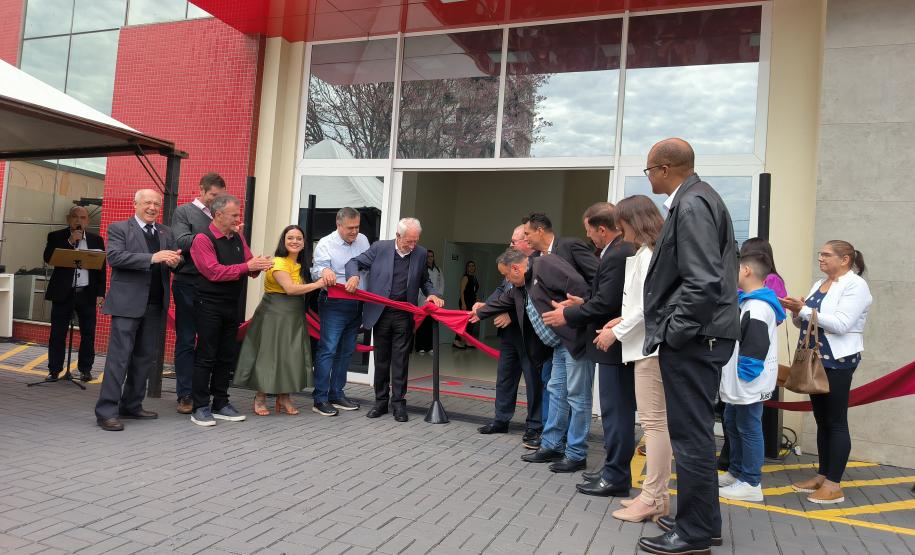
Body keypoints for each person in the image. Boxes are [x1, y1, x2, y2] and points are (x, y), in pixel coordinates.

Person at [638, 138, 739, 555]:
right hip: (703, 335)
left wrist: (674, 332)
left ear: (664, 169)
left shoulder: (693, 203)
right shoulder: (698, 199)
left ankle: (694, 533)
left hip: (696, 338)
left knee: (690, 436)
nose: (649, 178)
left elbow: (702, 281)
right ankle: (703, 523)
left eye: (649, 171)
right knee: (693, 432)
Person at [541, 202, 637, 495]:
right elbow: (606, 297)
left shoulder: (619, 253)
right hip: (608, 341)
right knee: (611, 412)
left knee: (616, 413)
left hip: (613, 343)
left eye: (590, 232)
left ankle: (616, 477)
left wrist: (568, 314)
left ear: (602, 229)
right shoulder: (615, 252)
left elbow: (608, 303)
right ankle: (611, 472)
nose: (589, 238)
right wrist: (582, 304)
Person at [474, 248, 590, 472]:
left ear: (516, 268)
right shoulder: (520, 286)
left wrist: (579, 307)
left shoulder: (545, 265)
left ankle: (576, 454)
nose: (507, 280)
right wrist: (477, 314)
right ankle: (552, 446)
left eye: (507, 275)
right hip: (558, 346)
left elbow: (580, 286)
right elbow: (502, 302)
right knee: (557, 392)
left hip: (574, 341)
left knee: (577, 396)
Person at [594, 195, 670, 522]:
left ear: (633, 221)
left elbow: (647, 306)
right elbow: (638, 304)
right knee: (654, 425)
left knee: (655, 425)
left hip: (649, 350)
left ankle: (654, 497)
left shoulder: (652, 254)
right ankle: (653, 496)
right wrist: (619, 321)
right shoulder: (645, 252)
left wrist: (617, 331)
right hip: (644, 347)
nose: (617, 229)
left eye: (621, 222)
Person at [780, 240, 872, 505]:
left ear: (845, 260)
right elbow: (805, 321)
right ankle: (823, 475)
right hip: (816, 359)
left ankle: (834, 485)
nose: (820, 258)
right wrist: (796, 312)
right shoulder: (819, 283)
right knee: (822, 420)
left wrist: (805, 310)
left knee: (836, 421)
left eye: (826, 254)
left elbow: (842, 324)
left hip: (838, 360)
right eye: (820, 254)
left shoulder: (856, 285)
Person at [94, 190, 181, 431]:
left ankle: (131, 405)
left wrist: (176, 262)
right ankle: (106, 411)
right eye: (147, 203)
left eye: (156, 203)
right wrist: (153, 257)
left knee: (143, 359)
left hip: (155, 305)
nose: (152, 207)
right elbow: (115, 257)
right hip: (126, 305)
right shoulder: (120, 228)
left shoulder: (165, 231)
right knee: (118, 359)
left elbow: (175, 259)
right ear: (135, 204)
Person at [344, 218, 444, 422]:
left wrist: (431, 293)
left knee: (400, 361)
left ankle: (398, 404)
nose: (413, 245)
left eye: (416, 241)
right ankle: (380, 403)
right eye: (409, 241)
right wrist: (353, 276)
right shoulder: (380, 248)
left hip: (403, 314)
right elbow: (353, 262)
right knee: (381, 360)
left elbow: (425, 280)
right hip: (380, 313)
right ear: (398, 236)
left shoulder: (421, 253)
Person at [189, 194, 274, 427]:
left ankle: (221, 403)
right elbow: (213, 272)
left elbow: (247, 265)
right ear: (218, 215)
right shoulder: (202, 239)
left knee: (226, 356)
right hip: (208, 305)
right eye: (234, 214)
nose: (239, 218)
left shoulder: (237, 236)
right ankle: (200, 406)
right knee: (206, 355)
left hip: (231, 305)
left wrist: (259, 265)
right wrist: (248, 266)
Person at [235, 225, 326, 416]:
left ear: (304, 243)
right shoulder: (278, 262)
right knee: (270, 355)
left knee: (290, 355)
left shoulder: (302, 264)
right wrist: (318, 284)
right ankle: (260, 397)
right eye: (290, 238)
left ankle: (284, 397)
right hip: (274, 314)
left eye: (299, 238)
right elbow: (290, 289)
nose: (294, 241)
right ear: (283, 241)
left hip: (294, 314)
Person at [717, 253, 786, 503]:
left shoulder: (757, 306)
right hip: (740, 380)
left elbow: (755, 348)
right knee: (733, 421)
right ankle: (736, 473)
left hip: (748, 380)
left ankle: (751, 482)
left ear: (746, 270)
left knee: (748, 427)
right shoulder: (748, 302)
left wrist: (743, 376)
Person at [475, 226, 545, 450]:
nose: (512, 244)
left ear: (526, 242)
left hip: (530, 335)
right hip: (509, 337)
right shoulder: (510, 264)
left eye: (515, 240)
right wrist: (485, 305)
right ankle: (501, 419)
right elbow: (502, 290)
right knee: (505, 377)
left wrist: (510, 315)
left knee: (533, 381)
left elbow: (533, 300)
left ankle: (534, 426)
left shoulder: (538, 265)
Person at [170, 172, 226, 414]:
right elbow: (182, 241)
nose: (216, 201)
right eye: (213, 196)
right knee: (185, 339)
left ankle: (202, 394)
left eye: (220, 197)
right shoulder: (184, 212)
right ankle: (185, 394)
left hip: (212, 284)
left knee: (209, 342)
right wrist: (216, 236)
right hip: (187, 281)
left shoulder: (220, 215)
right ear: (201, 190)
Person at [310, 207, 371, 416]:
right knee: (328, 349)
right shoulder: (326, 244)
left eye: (357, 227)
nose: (354, 232)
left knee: (346, 351)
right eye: (350, 228)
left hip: (357, 303)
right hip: (334, 303)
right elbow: (316, 269)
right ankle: (320, 398)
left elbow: (367, 265)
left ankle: (337, 394)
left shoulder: (363, 240)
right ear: (338, 225)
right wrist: (324, 271)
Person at [44, 205, 106, 382]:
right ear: (68, 219)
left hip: (86, 292)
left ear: (88, 221)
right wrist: (70, 242)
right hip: (64, 292)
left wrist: (100, 293)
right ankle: (54, 370)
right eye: (75, 217)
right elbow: (48, 258)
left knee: (88, 332)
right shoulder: (56, 236)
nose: (79, 220)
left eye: (83, 218)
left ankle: (85, 369)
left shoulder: (96, 240)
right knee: (57, 333)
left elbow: (101, 268)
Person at [522, 212, 597, 284]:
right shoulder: (533, 258)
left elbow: (597, 276)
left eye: (527, 234)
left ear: (539, 231)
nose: (524, 239)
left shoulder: (570, 246)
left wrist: (586, 297)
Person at [414, 249, 445, 354]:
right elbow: (420, 285)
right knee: (422, 323)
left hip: (434, 300)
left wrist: (437, 295)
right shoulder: (422, 269)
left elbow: (441, 285)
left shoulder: (438, 270)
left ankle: (430, 347)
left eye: (432, 256)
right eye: (428, 256)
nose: (430, 258)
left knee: (432, 324)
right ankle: (420, 347)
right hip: (423, 299)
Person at [453, 260, 480, 349]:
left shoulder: (475, 278)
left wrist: (477, 301)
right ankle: (456, 341)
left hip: (472, 303)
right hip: (465, 302)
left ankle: (468, 341)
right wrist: (463, 304)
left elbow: (474, 291)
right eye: (469, 266)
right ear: (467, 268)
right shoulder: (466, 277)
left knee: (471, 322)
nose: (471, 267)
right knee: (463, 322)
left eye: (473, 266)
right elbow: (461, 291)